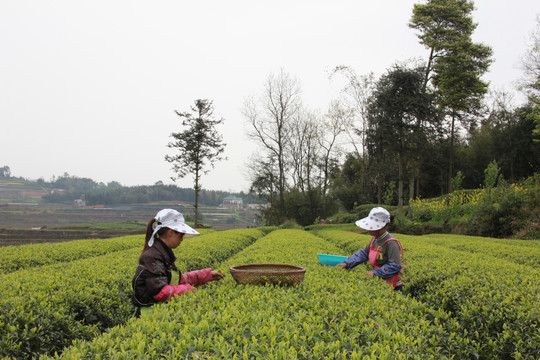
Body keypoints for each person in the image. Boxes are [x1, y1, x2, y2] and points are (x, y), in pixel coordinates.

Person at [132, 208, 224, 316]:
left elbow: (180, 279)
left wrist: (207, 275)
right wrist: (188, 290)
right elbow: (159, 291)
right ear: (170, 232)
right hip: (149, 317)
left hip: (161, 313)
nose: (182, 239)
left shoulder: (163, 254)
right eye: (181, 235)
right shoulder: (152, 257)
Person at [336, 207, 405, 291]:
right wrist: (347, 264)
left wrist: (375, 273)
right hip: (380, 283)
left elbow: (395, 266)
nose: (369, 229)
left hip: (393, 286)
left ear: (382, 227)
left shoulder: (391, 243)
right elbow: (363, 254)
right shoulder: (375, 239)